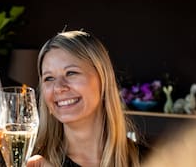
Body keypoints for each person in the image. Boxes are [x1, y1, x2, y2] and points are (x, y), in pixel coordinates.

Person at [27, 30, 147, 167]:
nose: (58, 87)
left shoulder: (151, 161)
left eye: (71, 73)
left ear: (103, 79)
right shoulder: (28, 161)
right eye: (49, 78)